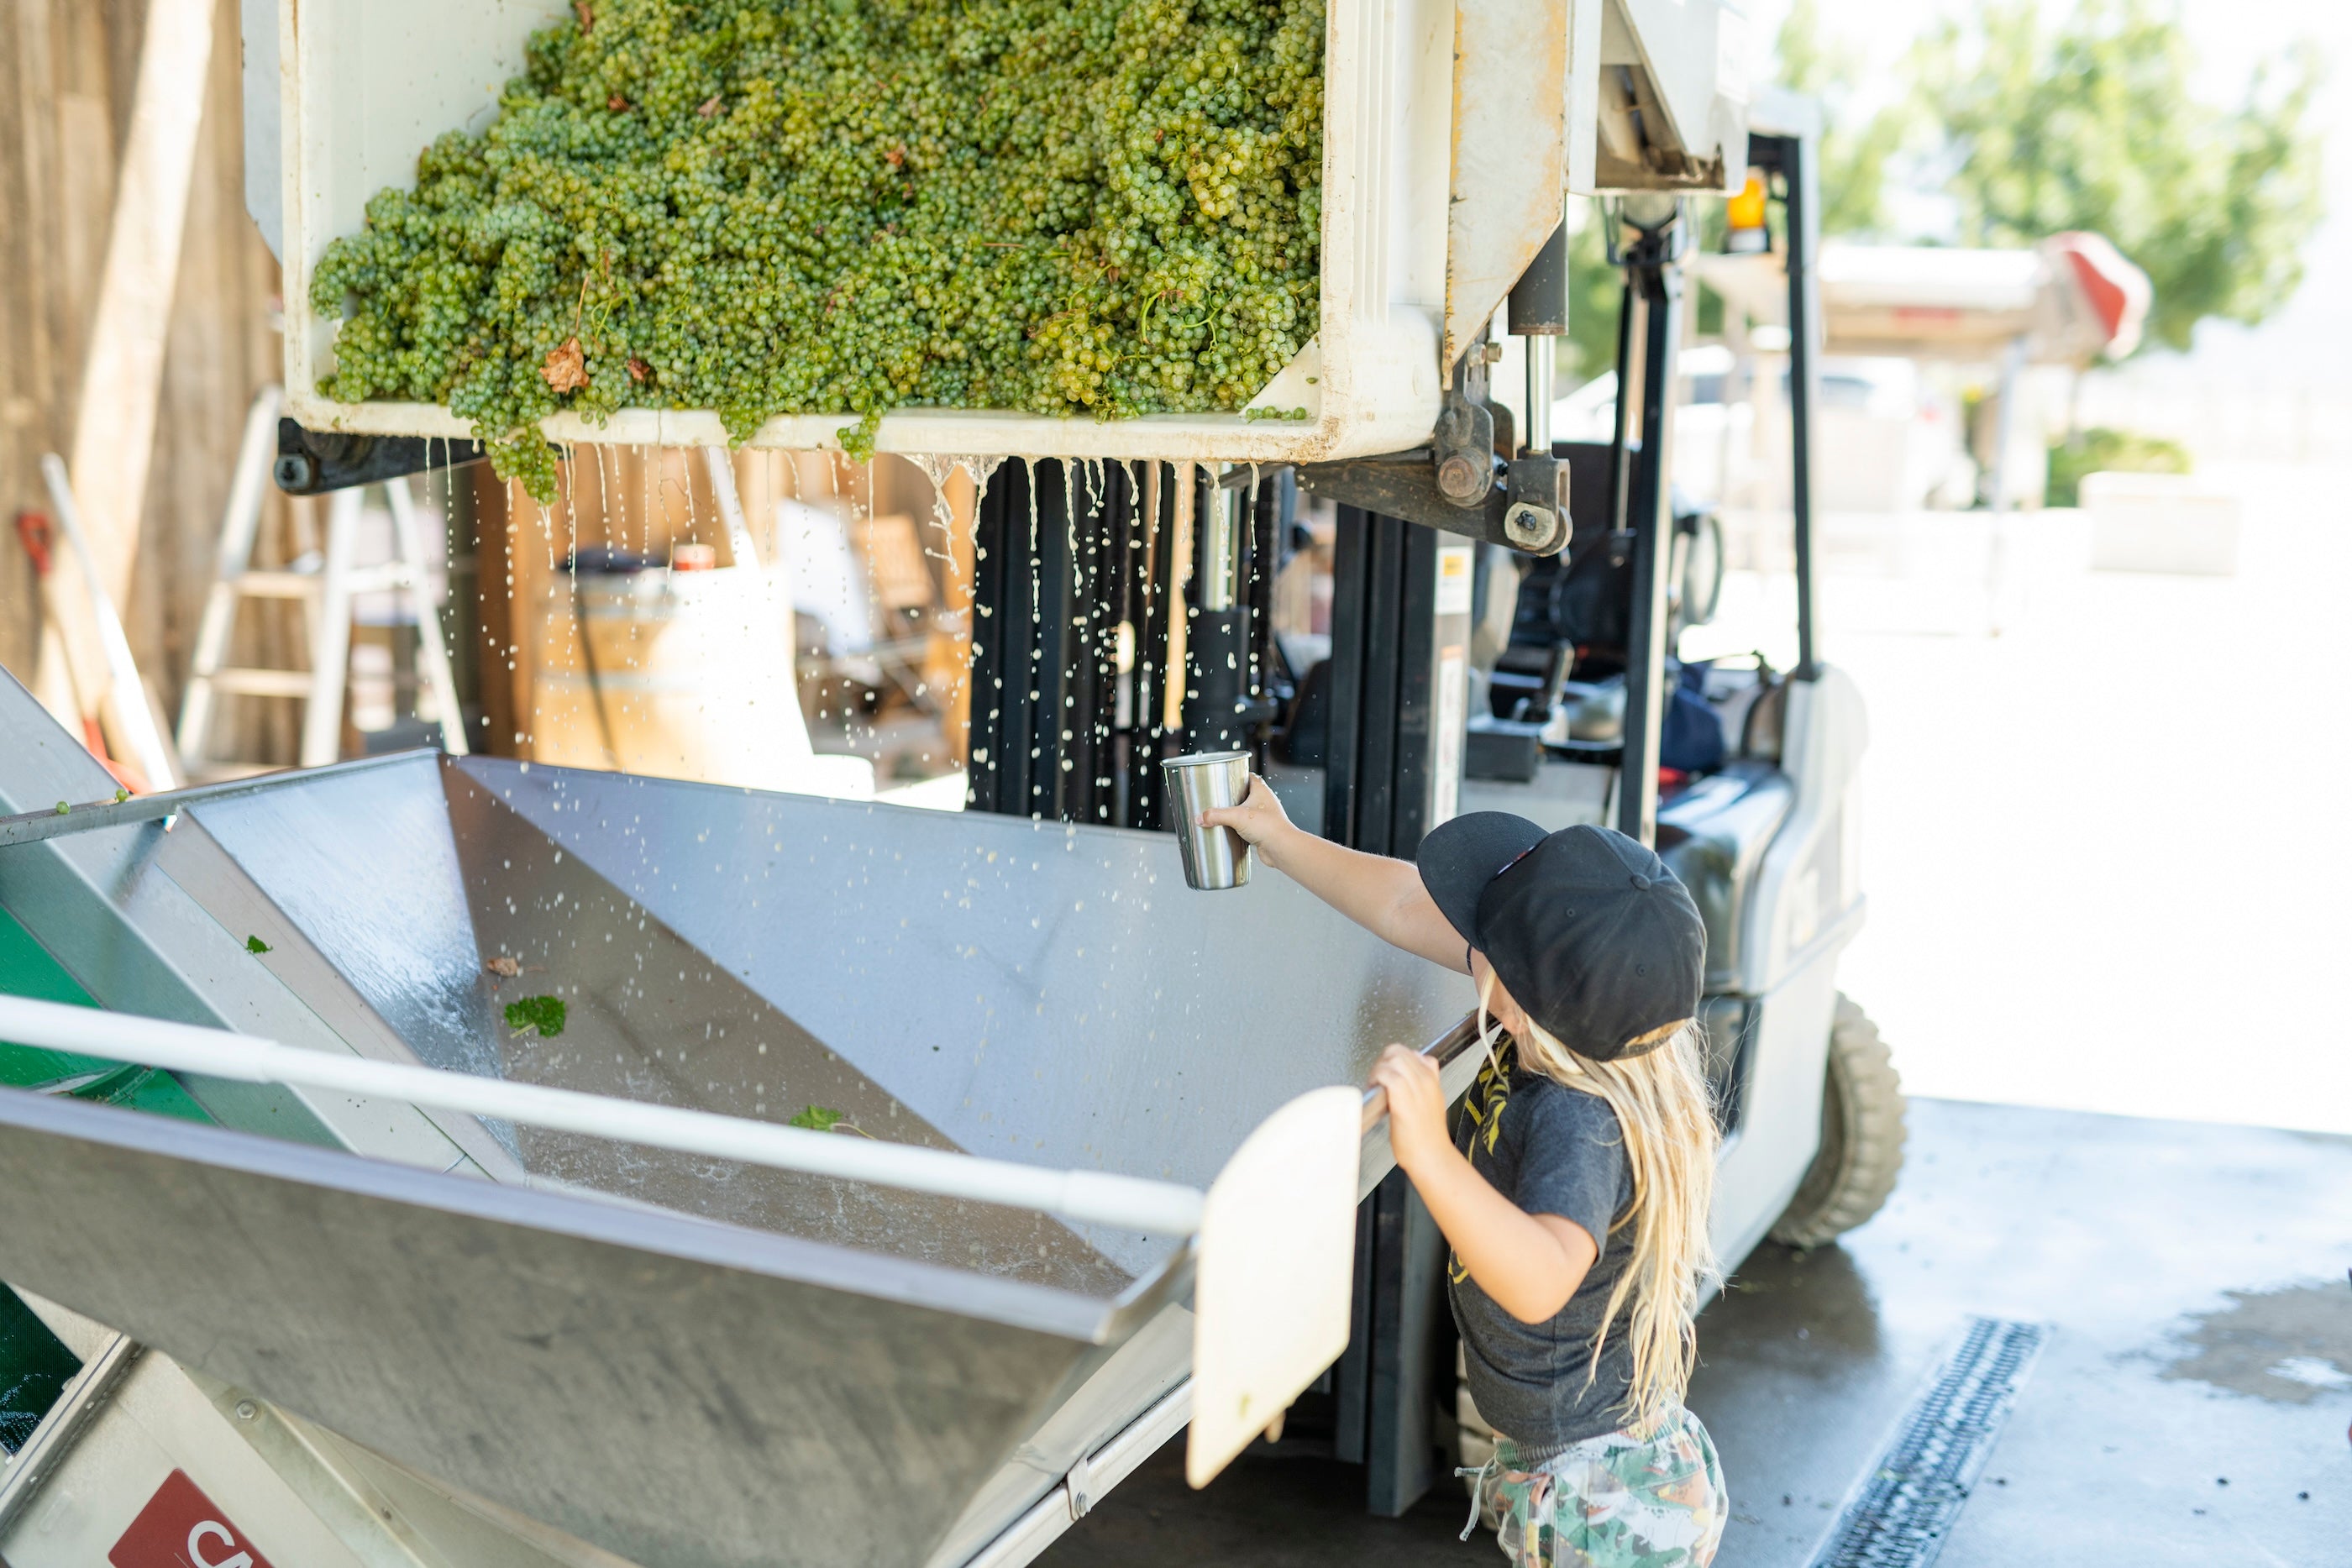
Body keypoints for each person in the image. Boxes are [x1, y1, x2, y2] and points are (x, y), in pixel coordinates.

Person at [1199, 780, 1728, 1568]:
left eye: (1487, 937)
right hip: (1574, 1466)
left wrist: (1429, 1153)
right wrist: (1278, 839)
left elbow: (1544, 1275)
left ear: (1518, 995)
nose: (1466, 934)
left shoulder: (1579, 1116)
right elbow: (1410, 903)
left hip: (1602, 1504)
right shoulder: (1568, 1018)